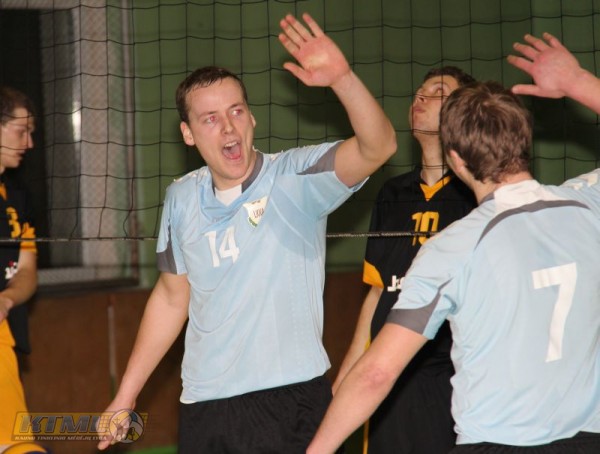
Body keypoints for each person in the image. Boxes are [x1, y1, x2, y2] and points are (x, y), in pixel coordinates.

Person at [97, 12, 396, 453]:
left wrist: (342, 79)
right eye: (210, 119)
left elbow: (380, 146)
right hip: (205, 406)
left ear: (251, 119)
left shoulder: (295, 179)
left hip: (290, 401)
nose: (228, 127)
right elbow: (172, 298)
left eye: (236, 111)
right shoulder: (181, 198)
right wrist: (126, 394)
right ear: (188, 134)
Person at [307, 36, 600, 454]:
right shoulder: (587, 205)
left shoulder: (453, 247)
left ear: (457, 160)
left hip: (497, 442)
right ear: (524, 139)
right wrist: (578, 82)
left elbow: (376, 374)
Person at [332, 67, 476, 453]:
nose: (420, 98)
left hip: (450, 379)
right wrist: (345, 379)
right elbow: (378, 295)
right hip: (386, 378)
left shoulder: (475, 196)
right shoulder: (392, 194)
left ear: (463, 112)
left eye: (437, 91)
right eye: (418, 91)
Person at [0, 86, 39, 452]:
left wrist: (7, 299)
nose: (29, 143)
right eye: (21, 131)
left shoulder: (17, 199)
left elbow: (27, 271)